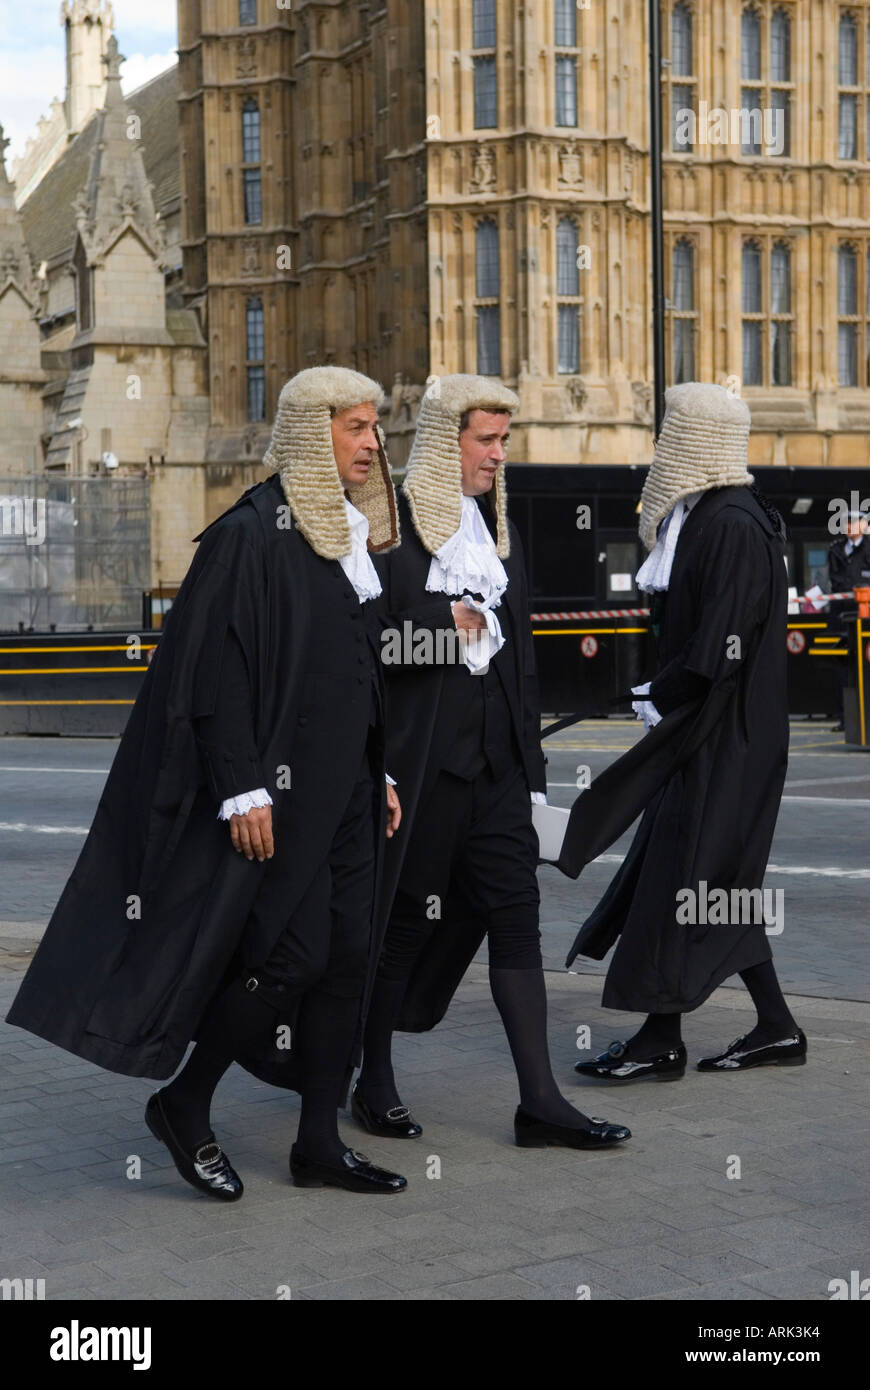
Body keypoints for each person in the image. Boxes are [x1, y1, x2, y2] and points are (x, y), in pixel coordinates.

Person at [6, 366, 411, 1198]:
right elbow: (211, 672)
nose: (375, 443)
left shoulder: (344, 529)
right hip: (285, 795)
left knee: (349, 961)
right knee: (292, 959)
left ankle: (316, 1145)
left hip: (352, 791)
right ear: (311, 431)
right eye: (357, 427)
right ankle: (185, 1103)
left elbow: (355, 669)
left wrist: (384, 770)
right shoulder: (250, 533)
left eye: (375, 428)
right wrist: (241, 787)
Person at [352, 374, 631, 1151]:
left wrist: (532, 771)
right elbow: (364, 646)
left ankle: (539, 1103)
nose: (498, 455)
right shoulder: (391, 530)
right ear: (448, 442)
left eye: (504, 441)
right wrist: (442, 626)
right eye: (486, 440)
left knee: (517, 923)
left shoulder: (496, 534)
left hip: (499, 773)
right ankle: (372, 1080)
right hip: (422, 772)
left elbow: (523, 666)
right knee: (403, 927)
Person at [561, 383, 806, 1081]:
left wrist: (654, 693)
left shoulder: (727, 523)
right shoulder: (720, 516)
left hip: (722, 736)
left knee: (686, 871)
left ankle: (659, 1039)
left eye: (669, 433)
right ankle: (775, 1027)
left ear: (690, 441)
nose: (658, 448)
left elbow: (718, 646)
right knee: (711, 879)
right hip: (721, 731)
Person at [827, 511, 870, 730]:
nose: (849, 526)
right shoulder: (836, 549)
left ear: (864, 525)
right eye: (846, 523)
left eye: (854, 522)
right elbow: (835, 581)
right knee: (840, 666)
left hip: (865, 617)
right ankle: (845, 718)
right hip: (841, 615)